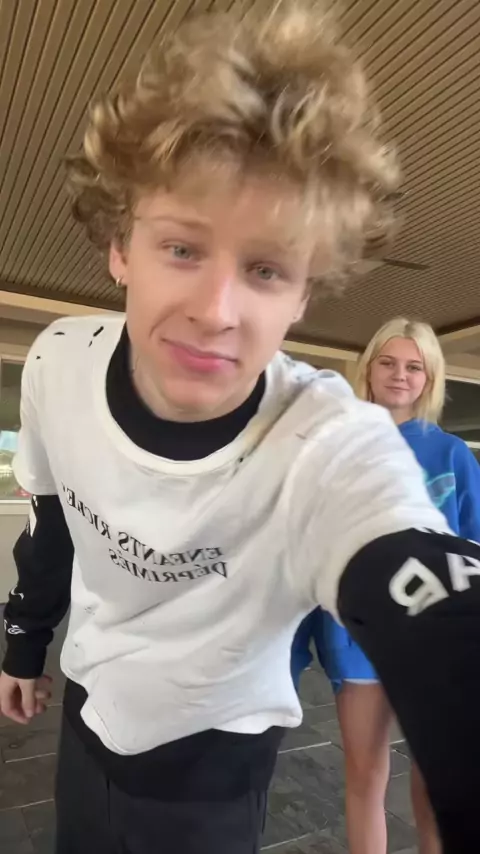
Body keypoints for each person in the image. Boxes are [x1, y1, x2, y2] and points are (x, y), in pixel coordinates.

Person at [0, 4, 479, 852]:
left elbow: (416, 576)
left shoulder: (326, 438)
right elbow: (51, 520)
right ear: (120, 247)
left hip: (216, 758)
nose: (216, 311)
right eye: (183, 249)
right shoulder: (57, 363)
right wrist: (23, 642)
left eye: (265, 269)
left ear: (303, 295)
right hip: (88, 712)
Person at [292, 316, 480, 854]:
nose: (400, 375)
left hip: (437, 634)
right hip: (357, 634)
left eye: (414, 366)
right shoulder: (336, 446)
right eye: (389, 362)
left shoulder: (452, 455)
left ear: (429, 378)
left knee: (436, 786)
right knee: (365, 775)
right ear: (369, 369)